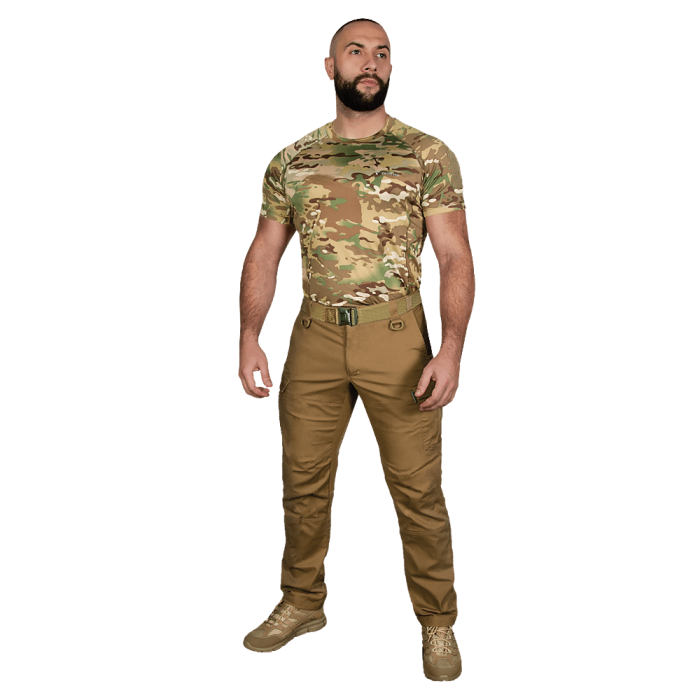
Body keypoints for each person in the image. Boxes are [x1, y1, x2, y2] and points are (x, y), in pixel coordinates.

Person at [238, 18, 475, 683]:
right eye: (355, 51)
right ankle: (302, 601)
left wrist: (452, 347)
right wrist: (249, 336)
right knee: (302, 481)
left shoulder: (427, 152)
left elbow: (456, 255)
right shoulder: (293, 158)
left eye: (382, 54)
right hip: (312, 337)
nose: (370, 63)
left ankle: (437, 623)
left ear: (390, 69)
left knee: (418, 491)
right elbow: (264, 252)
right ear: (329, 67)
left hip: (397, 338)